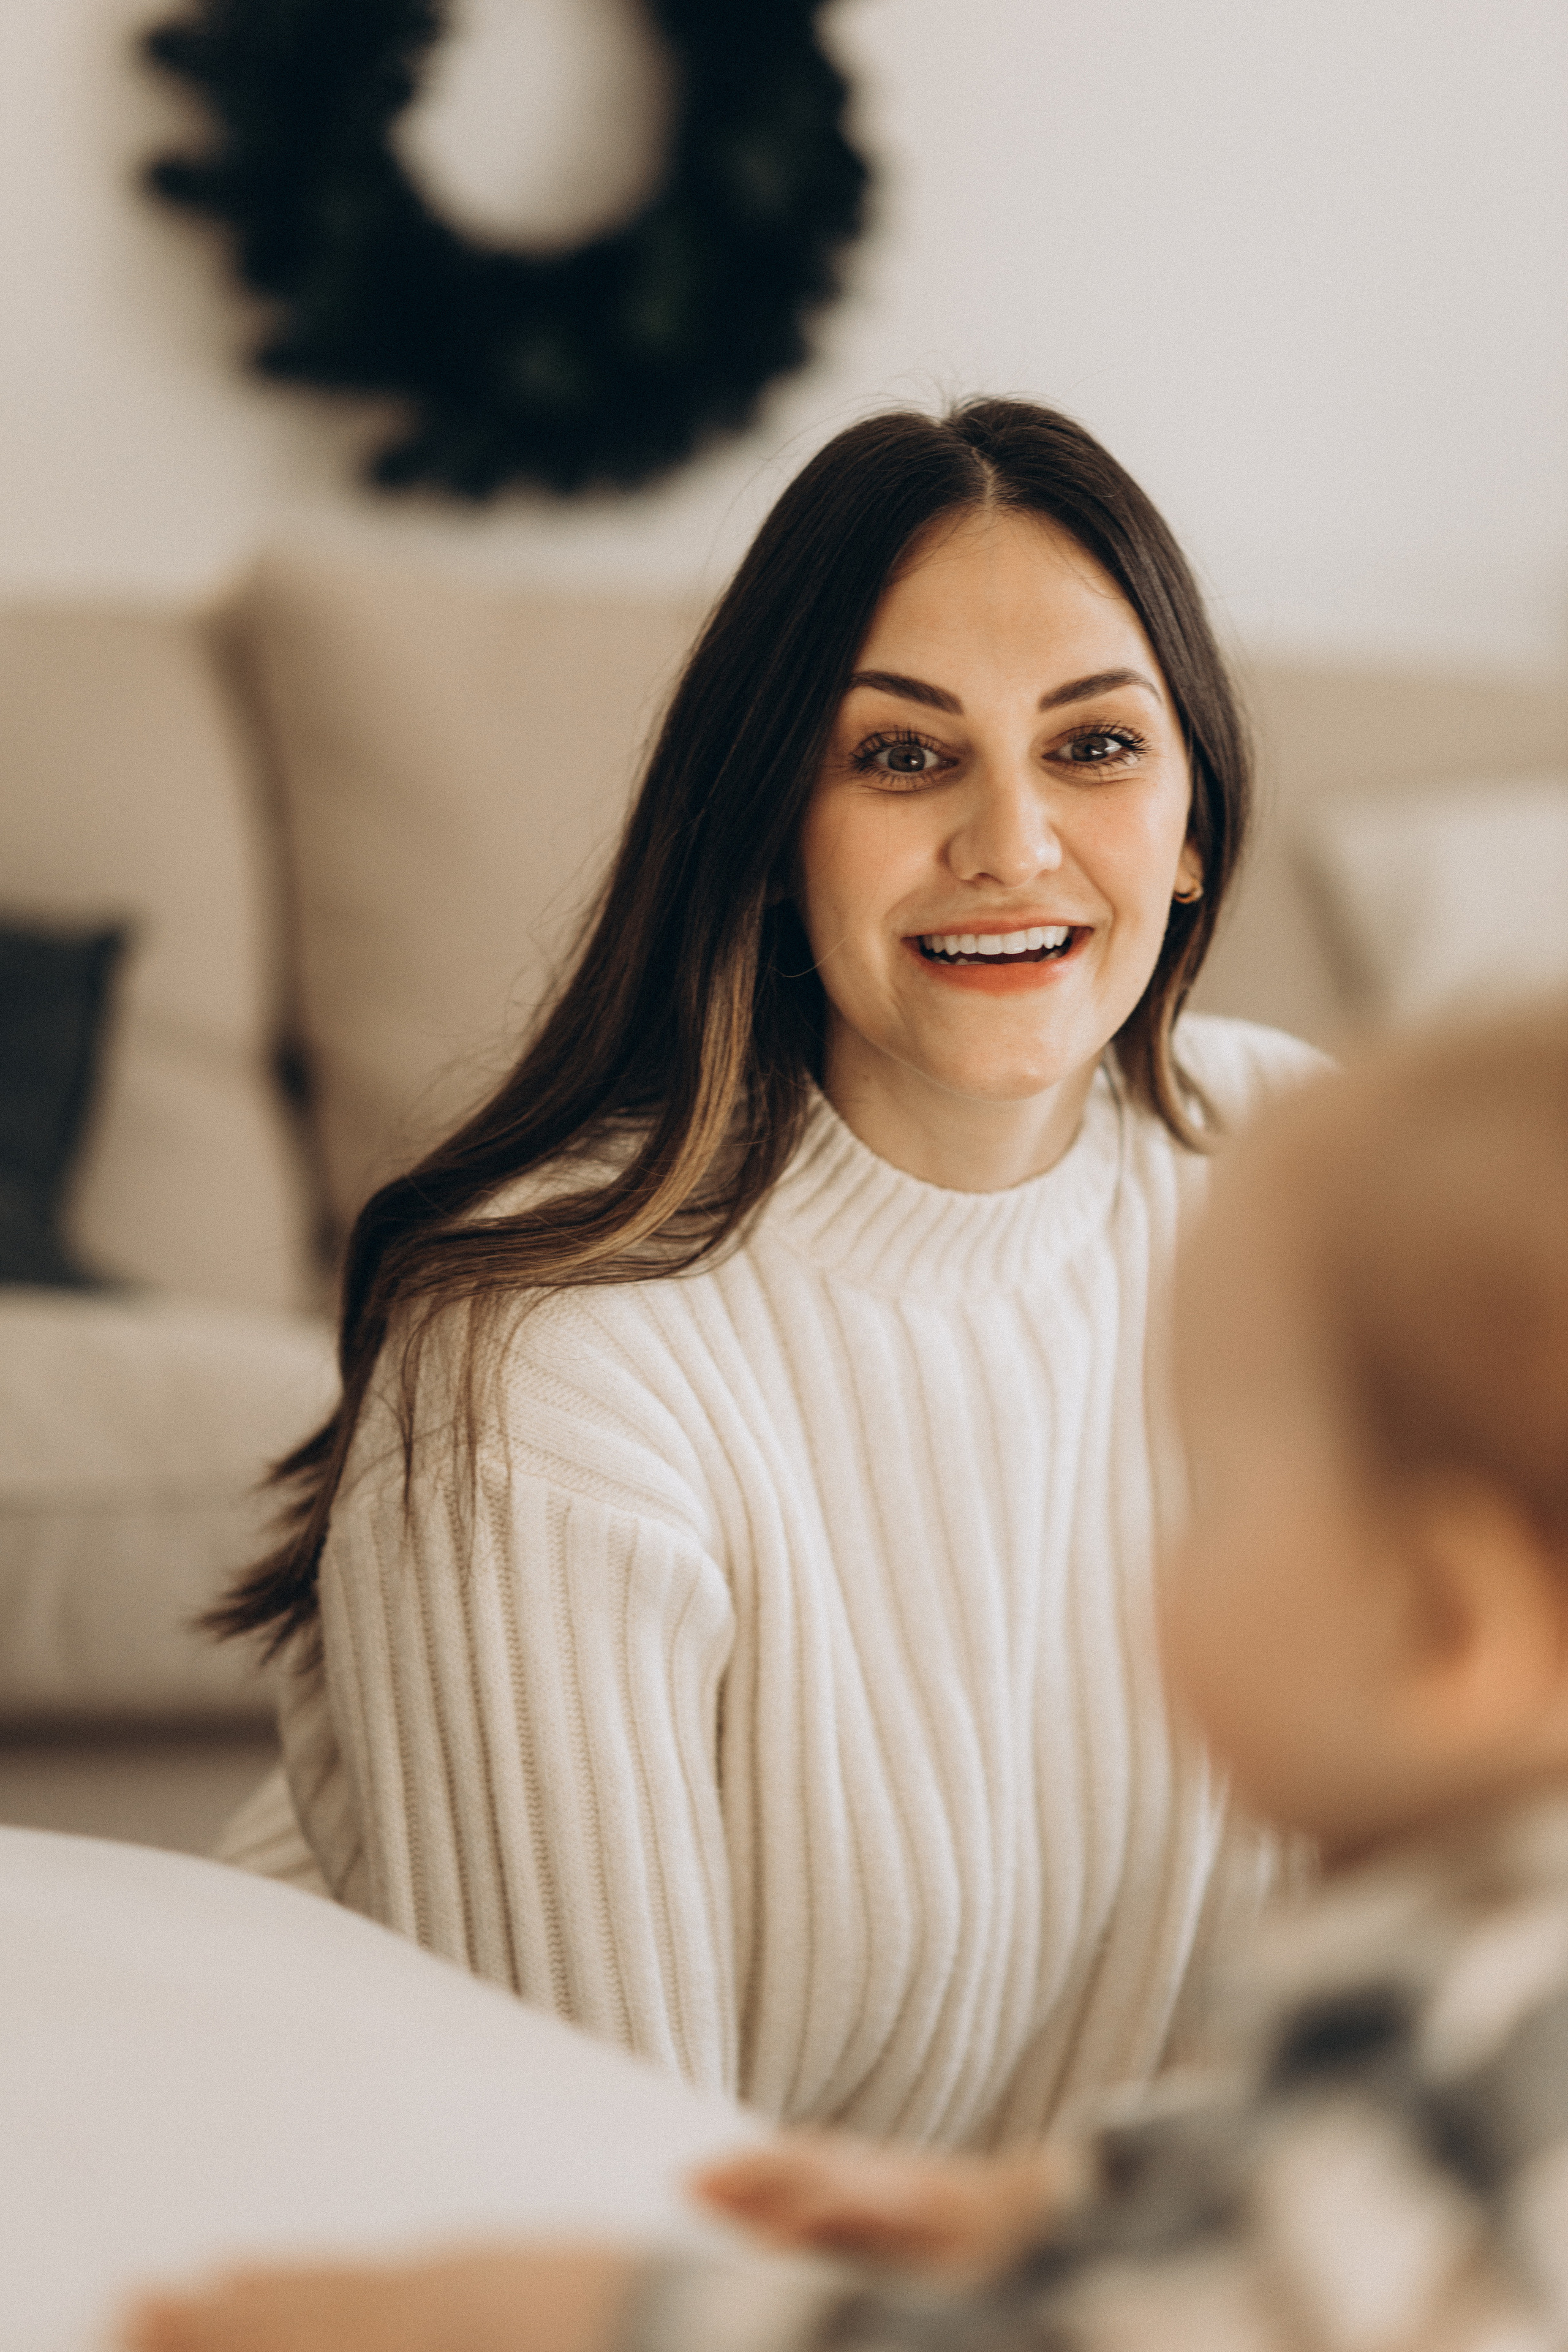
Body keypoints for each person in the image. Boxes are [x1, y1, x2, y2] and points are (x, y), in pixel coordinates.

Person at [130, 996, 1568, 2352]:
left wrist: (602, 2318)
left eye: (1221, 1493)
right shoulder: (1474, 1959)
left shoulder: (1476, 2006)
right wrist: (1042, 2208)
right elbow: (1321, 2159)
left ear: (1439, 1625)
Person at [217, 398, 1318, 2139]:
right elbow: (590, 2210)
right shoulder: (546, 1365)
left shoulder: (1298, 1179)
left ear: (1192, 825)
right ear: (768, 830)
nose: (1013, 842)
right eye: (902, 756)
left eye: (1095, 748)